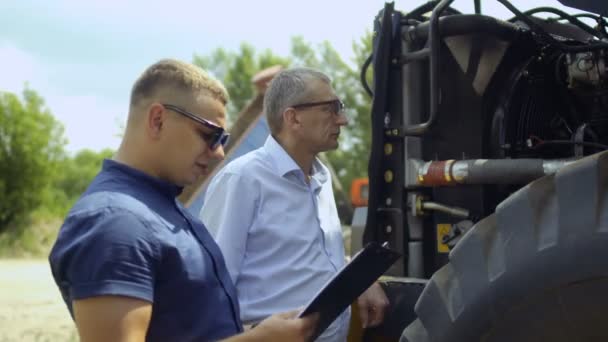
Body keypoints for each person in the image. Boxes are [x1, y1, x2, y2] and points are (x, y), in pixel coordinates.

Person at [48, 59, 316, 342]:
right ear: (158, 120)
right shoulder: (114, 223)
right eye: (210, 135)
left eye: (223, 140)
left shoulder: (161, 207)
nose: (219, 153)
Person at [200, 67, 389, 341]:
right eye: (331, 109)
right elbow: (210, 285)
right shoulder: (242, 180)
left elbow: (315, 259)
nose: (343, 120)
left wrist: (360, 283)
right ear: (293, 118)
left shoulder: (320, 178)